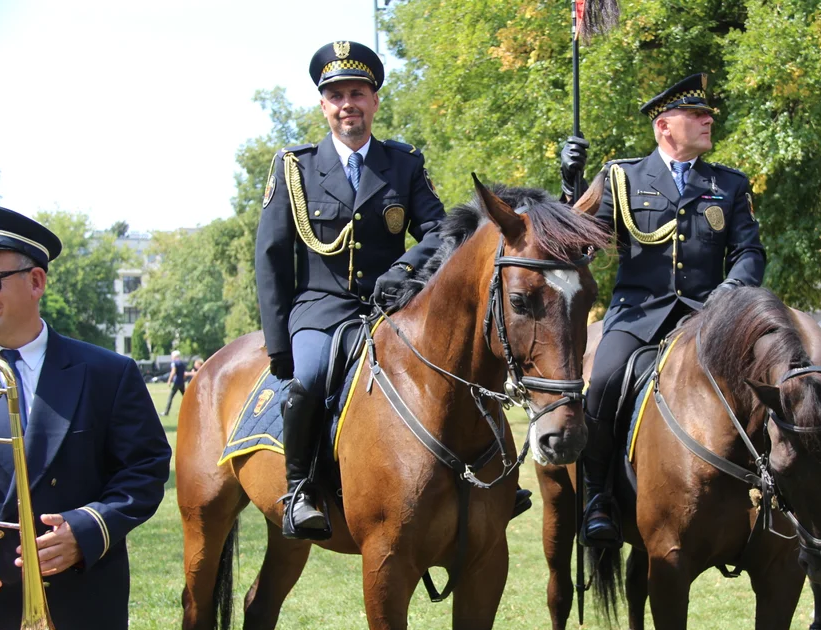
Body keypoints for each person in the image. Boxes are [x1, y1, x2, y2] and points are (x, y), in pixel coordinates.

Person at [256, 41, 529, 540]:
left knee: (460, 366)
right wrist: (278, 344)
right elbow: (272, 258)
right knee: (312, 379)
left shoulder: (403, 163)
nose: (347, 105)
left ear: (375, 101)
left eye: (357, 94)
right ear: (323, 106)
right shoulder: (294, 168)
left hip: (396, 305)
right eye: (336, 95)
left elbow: (441, 229)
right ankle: (301, 489)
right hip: (321, 309)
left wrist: (404, 267)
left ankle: (496, 479)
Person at [560, 74, 766, 547]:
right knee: (604, 385)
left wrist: (733, 287)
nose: (707, 119)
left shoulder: (728, 184)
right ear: (664, 127)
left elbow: (750, 252)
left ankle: (772, 490)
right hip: (640, 316)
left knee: (772, 381)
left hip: (711, 317)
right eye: (695, 115)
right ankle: (599, 498)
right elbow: (577, 245)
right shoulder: (622, 178)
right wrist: (571, 186)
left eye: (707, 113)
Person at [0, 206, 171, 630]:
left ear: (36, 280)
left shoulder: (107, 372)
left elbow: (146, 468)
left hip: (76, 621)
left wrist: (87, 529)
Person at [163, 350, 186, 416]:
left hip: (176, 382)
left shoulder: (174, 363)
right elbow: (184, 375)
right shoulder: (182, 363)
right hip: (182, 382)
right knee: (185, 396)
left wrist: (169, 380)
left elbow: (173, 372)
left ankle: (166, 412)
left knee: (170, 397)